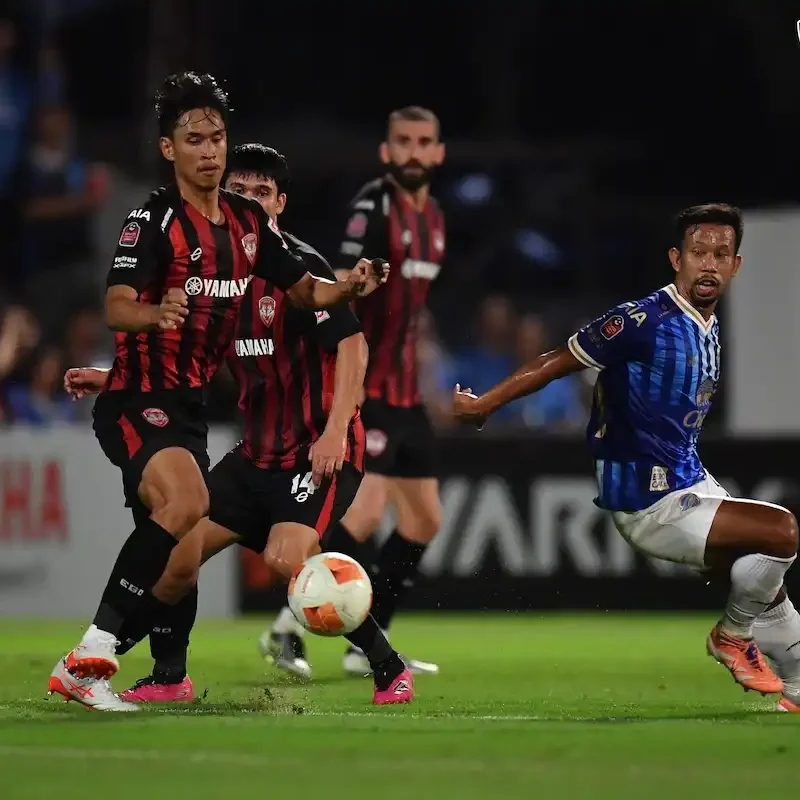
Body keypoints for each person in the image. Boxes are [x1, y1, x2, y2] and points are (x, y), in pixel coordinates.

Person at [47, 74, 387, 712]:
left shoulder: (248, 224)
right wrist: (155, 316)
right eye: (193, 139)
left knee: (174, 548)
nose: (209, 150)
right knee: (189, 502)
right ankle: (90, 655)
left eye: (218, 137)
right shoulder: (152, 220)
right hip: (140, 400)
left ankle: (144, 670)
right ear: (169, 149)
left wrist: (348, 287)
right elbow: (118, 306)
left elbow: (308, 292)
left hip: (188, 408)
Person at [453, 203, 800, 708]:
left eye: (721, 254)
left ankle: (794, 688)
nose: (709, 264)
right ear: (675, 258)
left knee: (763, 580)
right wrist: (486, 403)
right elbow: (557, 360)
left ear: (735, 265)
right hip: (649, 500)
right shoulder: (642, 320)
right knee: (782, 532)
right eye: (698, 252)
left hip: (691, 480)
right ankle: (731, 636)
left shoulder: (707, 323)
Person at [264, 106, 446, 678]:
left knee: (424, 521)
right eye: (403, 141)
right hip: (370, 390)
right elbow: (334, 288)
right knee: (364, 514)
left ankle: (361, 646)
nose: (413, 151)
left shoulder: (436, 217)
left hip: (408, 393)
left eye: (424, 142)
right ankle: (284, 626)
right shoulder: (373, 209)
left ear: (438, 153)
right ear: (386, 151)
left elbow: (414, 311)